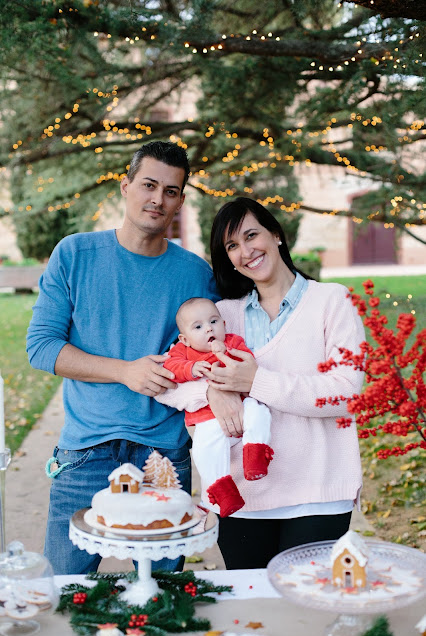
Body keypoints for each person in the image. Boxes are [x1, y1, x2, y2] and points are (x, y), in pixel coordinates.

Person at [26, 141, 218, 575]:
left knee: (162, 599)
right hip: (86, 451)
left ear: (181, 201)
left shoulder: (196, 274)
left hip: (163, 457)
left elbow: (222, 347)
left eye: (171, 191)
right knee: (60, 588)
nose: (158, 199)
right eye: (148, 185)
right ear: (125, 185)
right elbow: (41, 347)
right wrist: (124, 372)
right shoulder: (74, 254)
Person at [156, 196, 365, 570]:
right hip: (243, 498)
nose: (245, 251)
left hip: (318, 491)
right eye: (232, 246)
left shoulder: (332, 300)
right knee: (253, 614)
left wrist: (256, 381)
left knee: (306, 614)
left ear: (277, 235)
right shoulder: (222, 315)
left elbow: (348, 392)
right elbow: (169, 380)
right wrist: (210, 392)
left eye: (252, 235)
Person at [162, 297, 273, 518]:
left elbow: (248, 363)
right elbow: (170, 367)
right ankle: (223, 490)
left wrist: (225, 354)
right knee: (205, 448)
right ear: (184, 338)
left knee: (259, 409)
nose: (208, 329)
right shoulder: (183, 353)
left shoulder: (234, 342)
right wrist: (191, 368)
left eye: (214, 321)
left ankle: (255, 454)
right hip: (208, 419)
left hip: (241, 407)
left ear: (224, 324)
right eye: (198, 327)